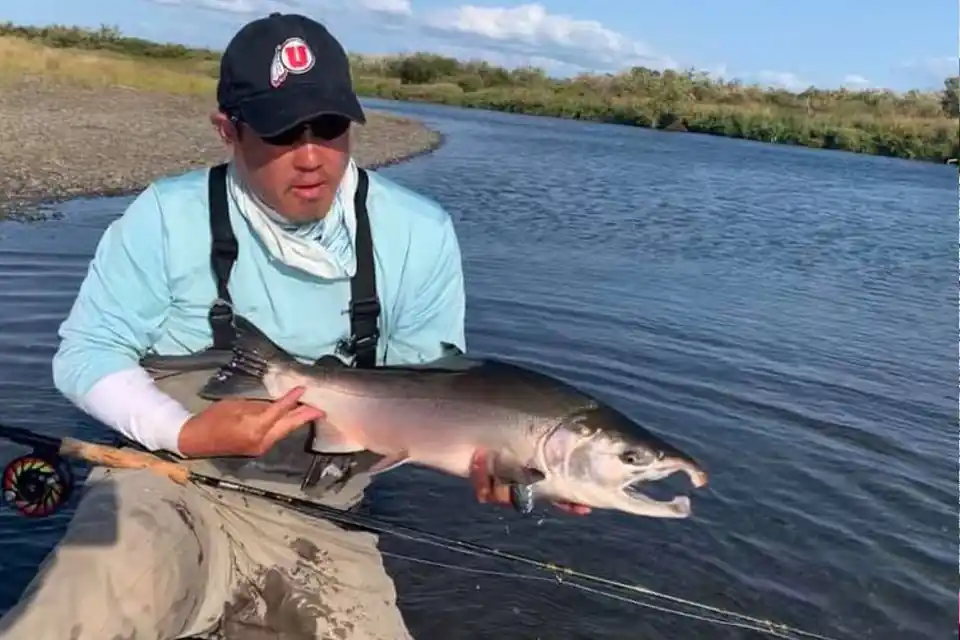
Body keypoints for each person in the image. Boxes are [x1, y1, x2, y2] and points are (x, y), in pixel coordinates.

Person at [0, 12, 588, 640]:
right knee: (67, 615)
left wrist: (506, 462)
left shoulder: (419, 234)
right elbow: (86, 353)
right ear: (228, 130)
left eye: (330, 128)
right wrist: (185, 430)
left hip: (324, 516)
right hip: (163, 485)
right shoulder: (166, 217)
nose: (311, 158)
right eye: (282, 133)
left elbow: (433, 392)